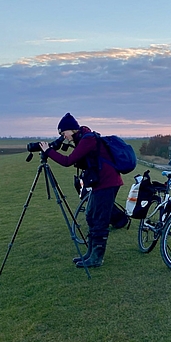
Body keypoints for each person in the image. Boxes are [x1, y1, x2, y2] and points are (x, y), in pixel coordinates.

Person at [40, 113, 123, 268]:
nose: (64, 137)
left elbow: (67, 161)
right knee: (91, 216)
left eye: (63, 133)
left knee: (99, 220)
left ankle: (97, 258)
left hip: (108, 182)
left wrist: (48, 152)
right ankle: (90, 253)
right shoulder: (83, 138)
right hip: (100, 182)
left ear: (71, 130)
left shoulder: (87, 139)